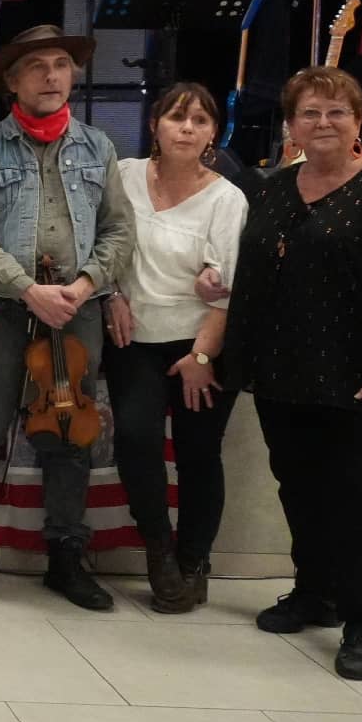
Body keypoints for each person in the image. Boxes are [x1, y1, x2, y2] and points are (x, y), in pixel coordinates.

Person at [226, 67, 362, 681]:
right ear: (291, 126)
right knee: (302, 491)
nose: (323, 123)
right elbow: (263, 272)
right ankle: (314, 593)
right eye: (310, 113)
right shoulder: (272, 188)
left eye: (336, 112)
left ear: (358, 121)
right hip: (287, 376)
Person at [0, 25, 135, 611]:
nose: (51, 76)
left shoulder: (98, 148)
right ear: (12, 80)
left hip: (75, 310)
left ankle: (66, 557)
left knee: (69, 435)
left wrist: (83, 286)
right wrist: (28, 289)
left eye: (60, 64)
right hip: (3, 308)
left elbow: (120, 230)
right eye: (36, 67)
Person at [102, 82, 247, 613]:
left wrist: (203, 356)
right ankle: (158, 548)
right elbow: (101, 245)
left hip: (203, 343)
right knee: (136, 440)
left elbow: (229, 289)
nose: (188, 128)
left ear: (212, 134)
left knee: (198, 454)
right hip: (134, 336)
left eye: (201, 120)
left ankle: (194, 559)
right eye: (177, 118)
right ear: (154, 125)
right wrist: (110, 294)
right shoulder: (122, 176)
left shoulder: (227, 199)